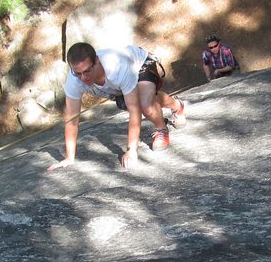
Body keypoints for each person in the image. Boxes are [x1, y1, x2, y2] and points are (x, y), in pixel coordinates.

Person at [48, 42, 186, 171]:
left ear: (96, 61)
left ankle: (161, 128)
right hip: (118, 83)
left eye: (87, 71)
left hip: (139, 64)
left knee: (145, 104)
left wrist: (131, 150)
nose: (83, 78)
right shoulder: (73, 81)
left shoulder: (117, 67)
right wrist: (69, 158)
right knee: (142, 99)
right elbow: (72, 120)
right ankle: (177, 105)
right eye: (78, 73)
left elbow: (134, 110)